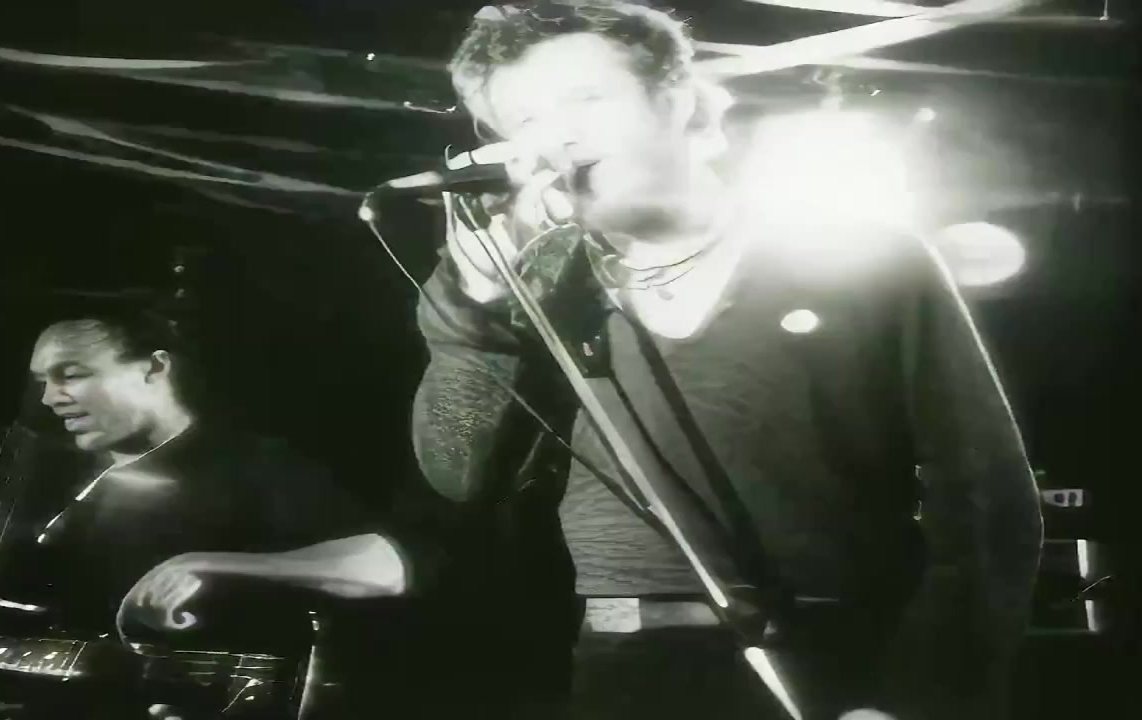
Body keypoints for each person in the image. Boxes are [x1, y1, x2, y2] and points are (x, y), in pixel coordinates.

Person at [133, 2, 1044, 719]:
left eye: (584, 100)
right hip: (624, 665)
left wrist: (924, 695)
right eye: (524, 118)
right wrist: (476, 317)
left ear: (677, 100)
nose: (554, 136)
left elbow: (989, 504)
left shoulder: (865, 255)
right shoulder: (533, 285)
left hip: (846, 654)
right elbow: (455, 476)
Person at [0, 309, 369, 718]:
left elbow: (379, 568)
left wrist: (206, 563)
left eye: (72, 374)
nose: (50, 398)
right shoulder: (58, 477)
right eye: (42, 382)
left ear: (154, 368)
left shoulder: (254, 463)